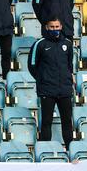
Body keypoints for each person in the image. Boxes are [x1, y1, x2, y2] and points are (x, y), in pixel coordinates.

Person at [28, 18, 74, 148]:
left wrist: (68, 79)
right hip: (47, 90)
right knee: (46, 122)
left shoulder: (67, 43)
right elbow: (32, 65)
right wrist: (42, 79)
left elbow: (69, 65)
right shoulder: (40, 44)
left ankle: (71, 151)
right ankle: (45, 151)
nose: (55, 29)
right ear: (47, 27)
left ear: (61, 26)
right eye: (52, 27)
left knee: (67, 122)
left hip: (64, 90)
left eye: (57, 26)